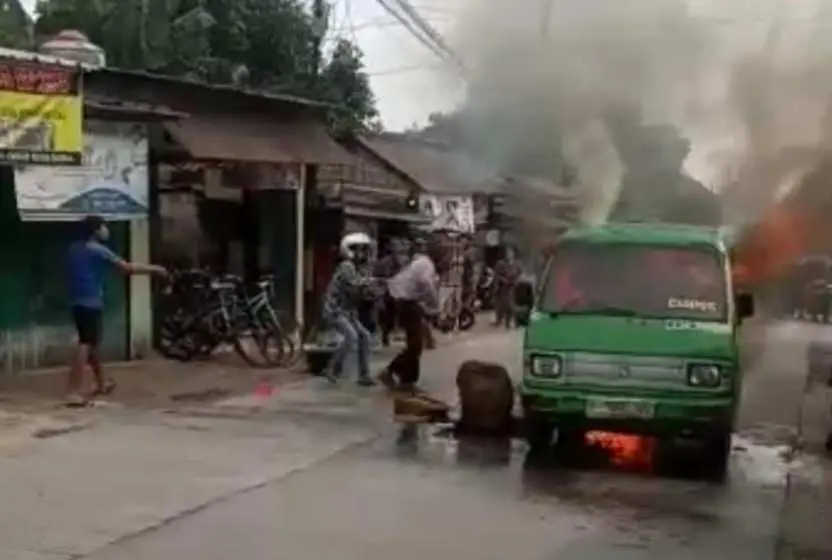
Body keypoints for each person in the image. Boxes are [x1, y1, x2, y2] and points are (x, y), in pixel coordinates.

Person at [66, 215, 168, 407]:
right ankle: (73, 392)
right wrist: (155, 269)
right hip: (91, 301)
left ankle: (102, 383)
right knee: (86, 344)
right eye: (104, 227)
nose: (107, 230)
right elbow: (126, 268)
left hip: (76, 301)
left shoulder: (74, 248)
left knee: (92, 344)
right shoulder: (98, 250)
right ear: (96, 230)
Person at [378, 237, 443, 393]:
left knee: (415, 344)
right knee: (415, 345)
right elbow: (427, 283)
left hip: (404, 300)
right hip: (406, 302)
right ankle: (393, 373)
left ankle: (406, 379)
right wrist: (435, 305)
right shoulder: (426, 264)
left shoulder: (420, 261)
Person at [320, 232, 377, 387]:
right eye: (358, 250)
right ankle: (332, 369)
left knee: (365, 337)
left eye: (364, 250)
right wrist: (368, 284)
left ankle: (364, 375)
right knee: (351, 336)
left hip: (348, 312)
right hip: (335, 310)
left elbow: (361, 290)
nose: (362, 254)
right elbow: (353, 286)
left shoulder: (358, 268)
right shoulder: (347, 266)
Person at [493, 247, 522, 328]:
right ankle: (503, 321)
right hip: (503, 287)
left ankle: (513, 322)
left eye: (510, 253)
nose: (509, 255)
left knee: (512, 305)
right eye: (507, 253)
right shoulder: (500, 263)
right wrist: (503, 280)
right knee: (504, 305)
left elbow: (520, 273)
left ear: (513, 254)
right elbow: (496, 274)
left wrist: (516, 280)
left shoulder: (517, 263)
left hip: (514, 287)